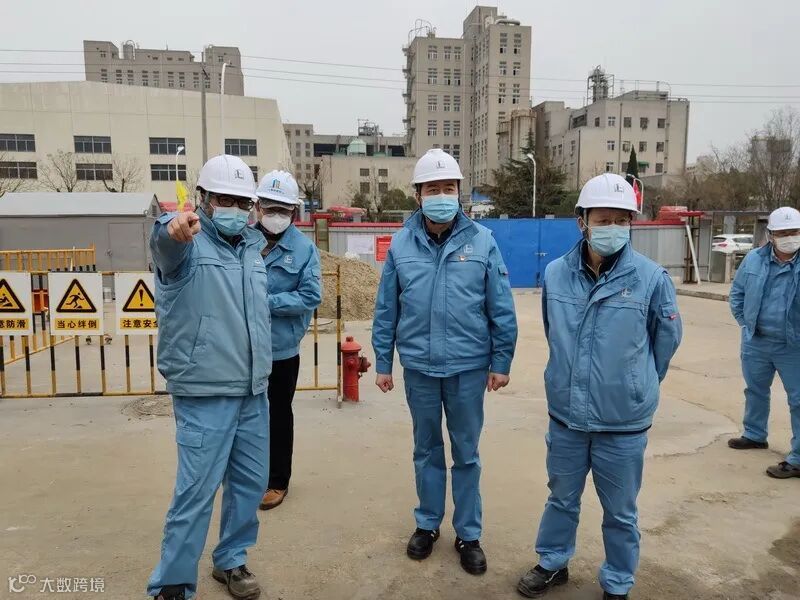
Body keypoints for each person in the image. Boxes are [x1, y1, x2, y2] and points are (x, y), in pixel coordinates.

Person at [517, 174, 682, 600]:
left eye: (621, 220)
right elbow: (554, 332)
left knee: (621, 512)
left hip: (622, 421)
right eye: (603, 219)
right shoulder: (556, 274)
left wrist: (635, 382)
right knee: (561, 498)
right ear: (583, 222)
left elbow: (664, 343)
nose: (613, 227)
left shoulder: (651, 278)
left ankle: (618, 581)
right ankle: (553, 562)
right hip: (567, 417)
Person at [372, 148, 517, 575]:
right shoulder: (401, 243)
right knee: (426, 449)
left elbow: (501, 306)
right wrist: (383, 362)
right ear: (418, 195)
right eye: (432, 189)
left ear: (459, 193)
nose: (441, 196)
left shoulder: (482, 241)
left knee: (467, 453)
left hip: (468, 368)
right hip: (419, 367)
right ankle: (427, 523)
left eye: (448, 188)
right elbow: (387, 308)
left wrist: (501, 360)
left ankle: (468, 533)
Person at [147, 155, 271, 600]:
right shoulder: (187, 244)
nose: (234, 208)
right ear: (203, 198)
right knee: (196, 492)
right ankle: (173, 583)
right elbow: (164, 240)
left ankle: (231, 560)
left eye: (242, 201)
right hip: (204, 390)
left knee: (249, 485)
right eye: (224, 199)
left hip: (253, 391)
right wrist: (172, 227)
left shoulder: (253, 248)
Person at [253, 170, 322, 510]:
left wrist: (266, 303)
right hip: (242, 346)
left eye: (283, 209)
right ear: (257, 207)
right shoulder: (241, 242)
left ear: (294, 211)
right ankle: (249, 476)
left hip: (281, 350)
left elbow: (310, 295)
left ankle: (278, 481)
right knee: (245, 414)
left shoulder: (305, 249)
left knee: (278, 414)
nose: (276, 214)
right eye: (270, 207)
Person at [728, 206, 800, 479]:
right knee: (755, 390)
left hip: (794, 345)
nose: (788, 237)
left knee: (799, 400)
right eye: (782, 233)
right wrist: (746, 323)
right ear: (770, 235)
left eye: (793, 232)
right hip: (756, 341)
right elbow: (737, 294)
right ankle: (755, 434)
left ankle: (799, 458)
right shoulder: (754, 260)